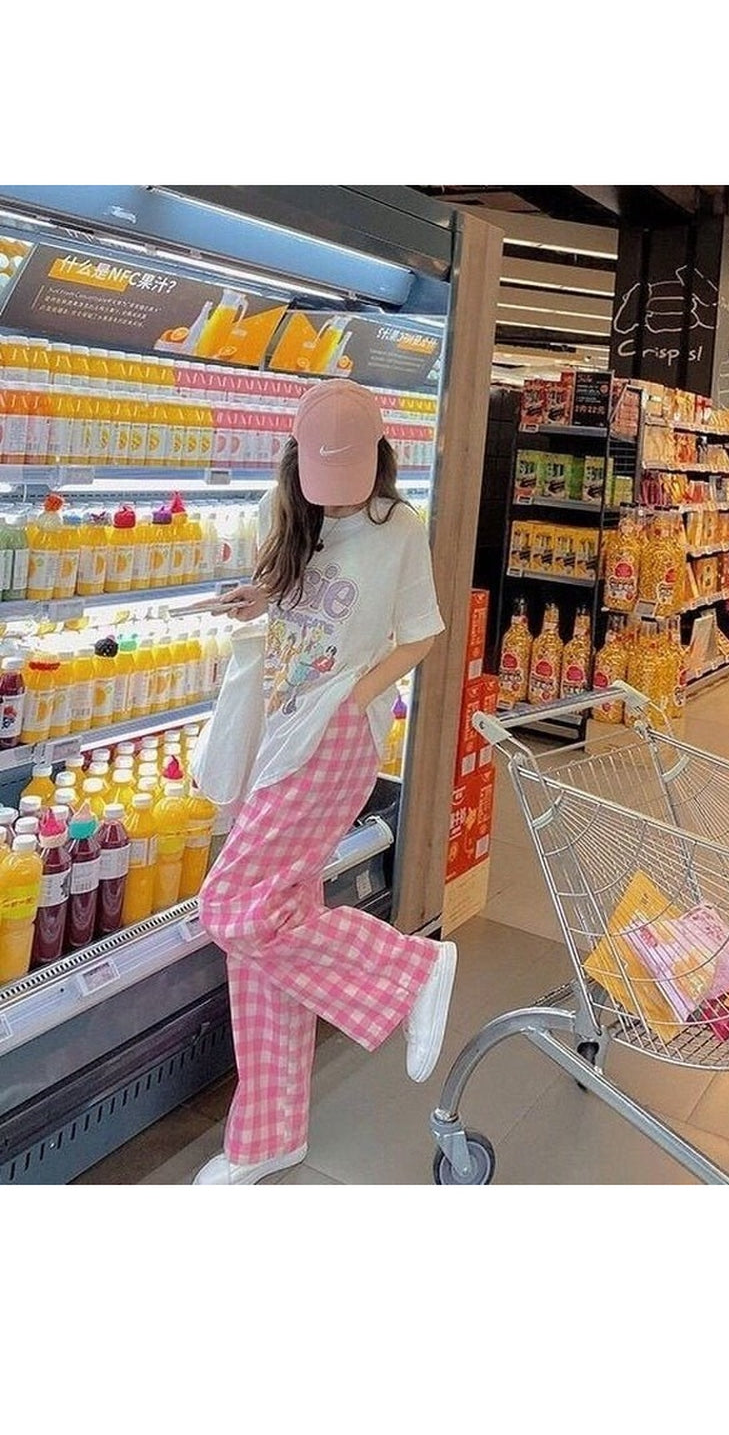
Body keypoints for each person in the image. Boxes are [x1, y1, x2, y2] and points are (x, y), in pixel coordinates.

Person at [193, 379, 456, 1185]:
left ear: (379, 459)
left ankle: (411, 969)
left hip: (334, 737)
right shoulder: (296, 517)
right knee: (269, 930)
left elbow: (421, 635)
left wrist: (353, 698)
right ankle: (268, 1135)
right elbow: (311, 611)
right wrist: (263, 596)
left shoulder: (397, 527)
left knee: (232, 905)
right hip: (282, 729)